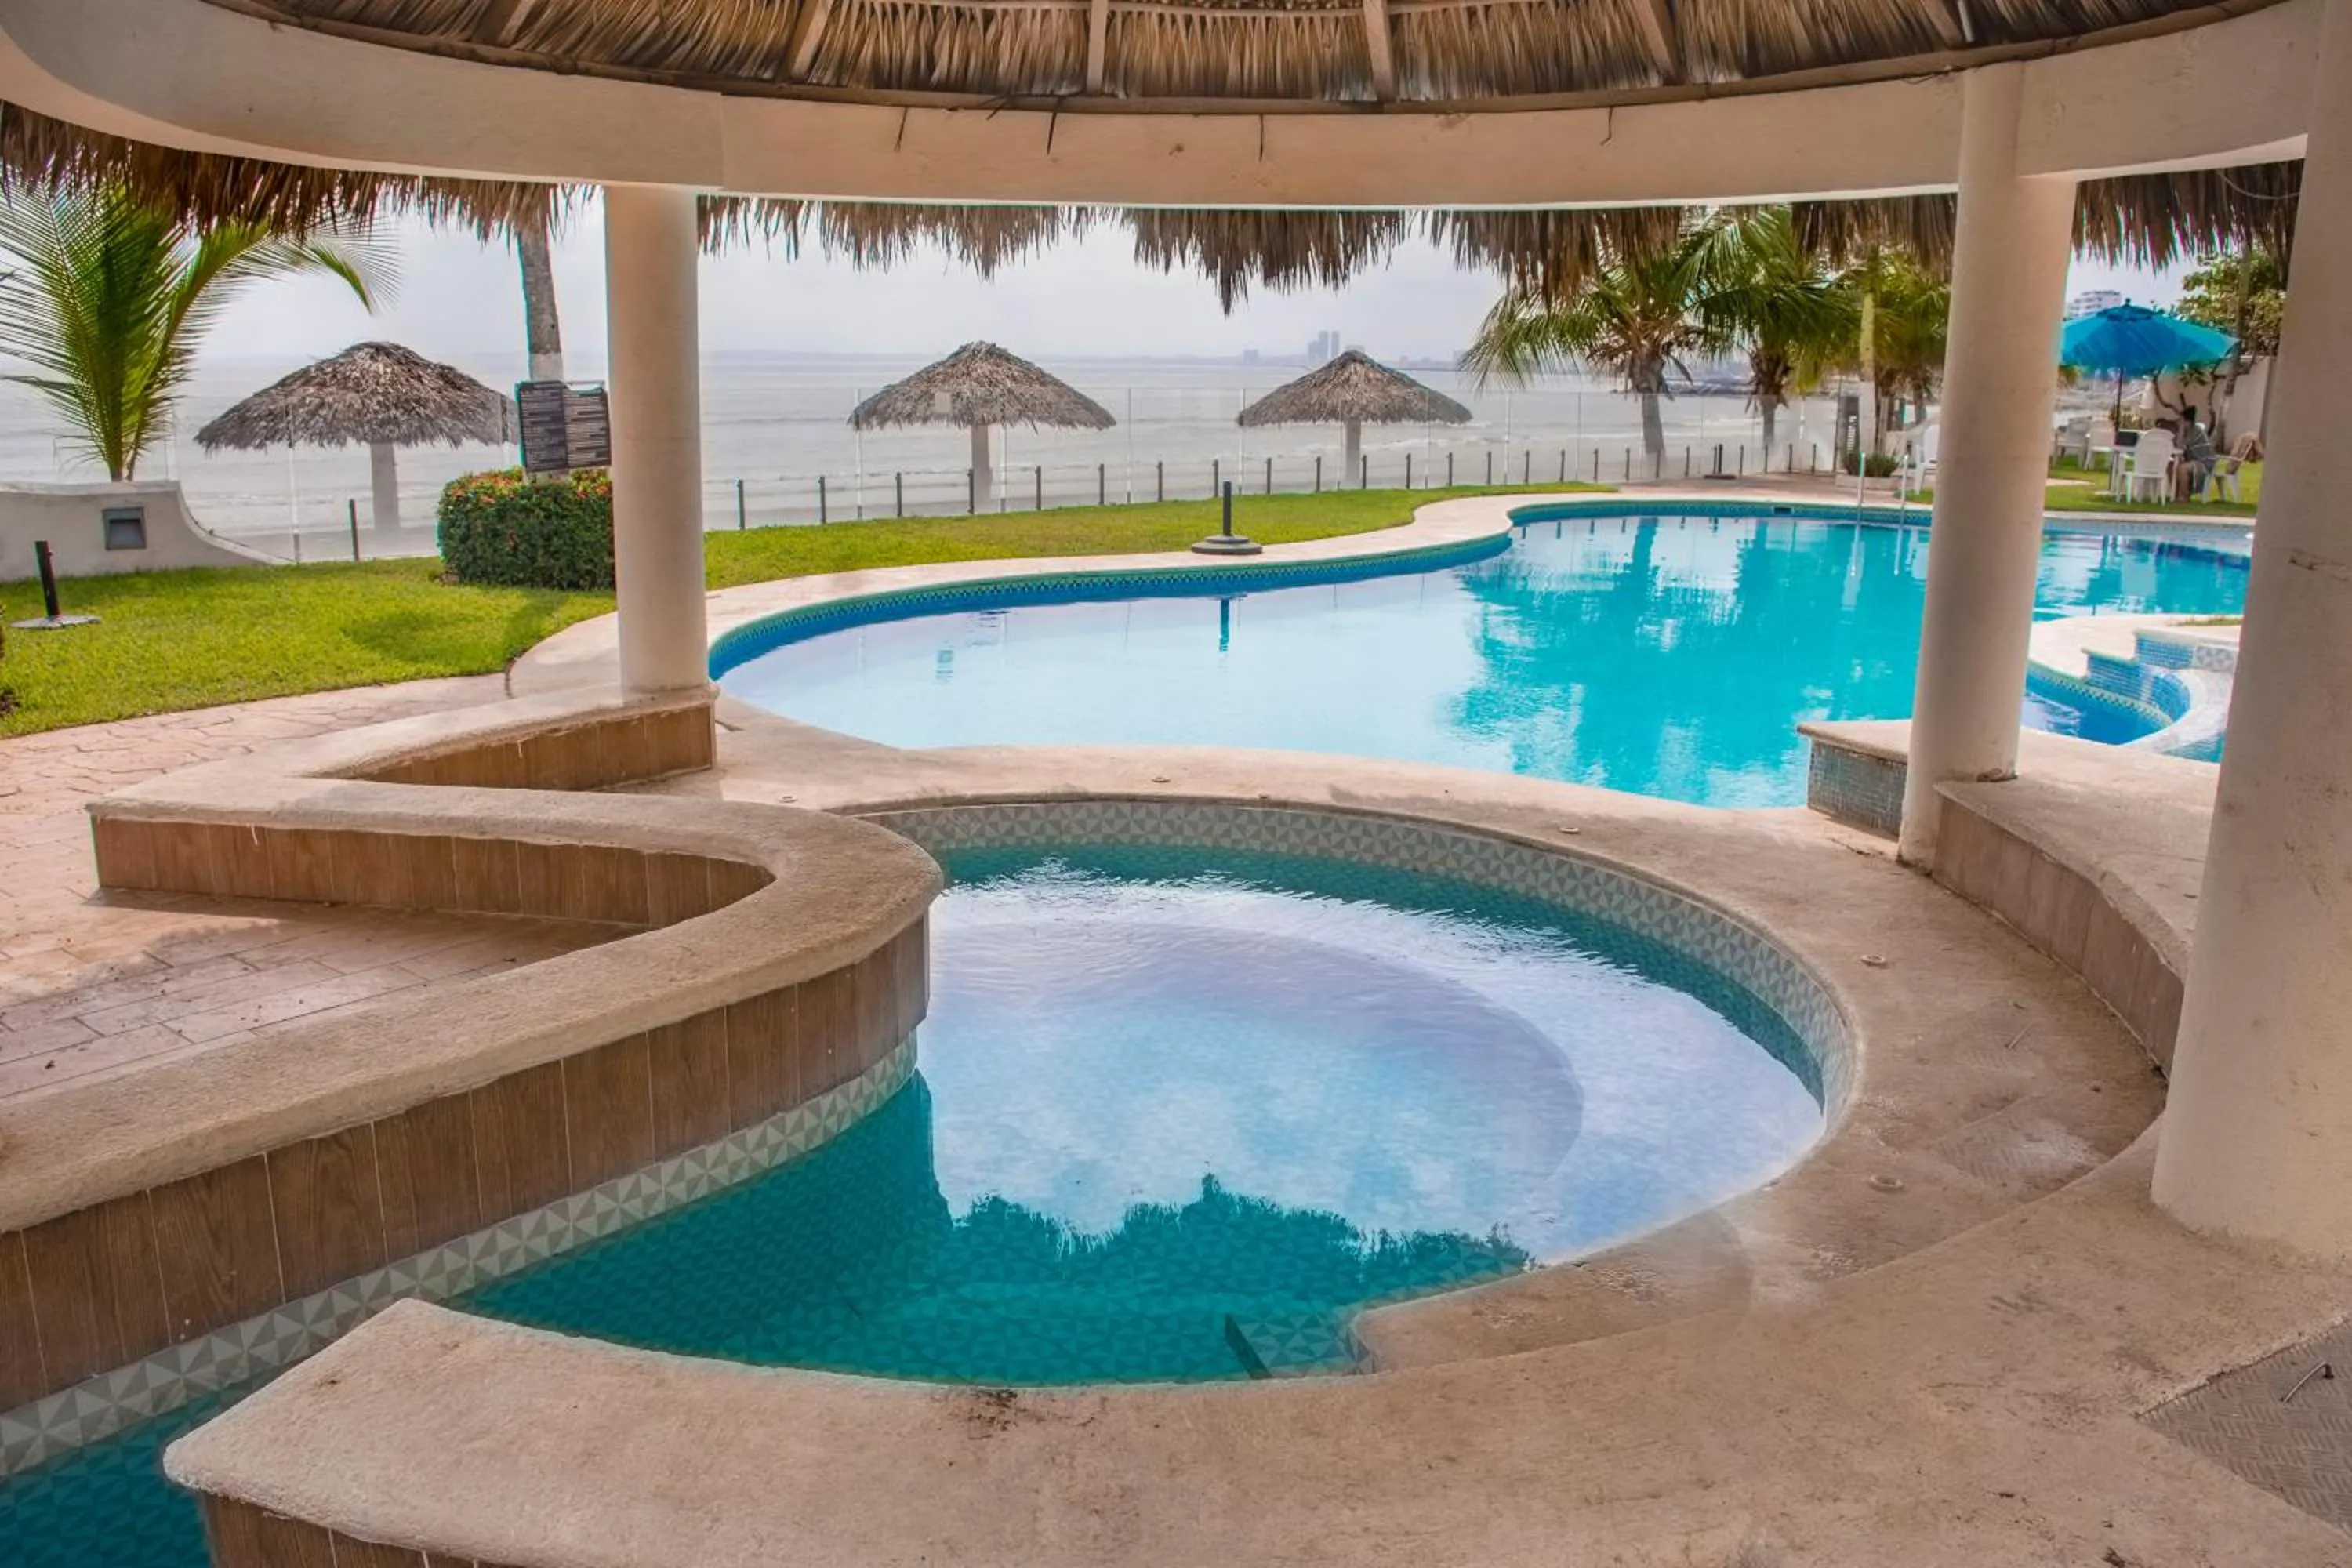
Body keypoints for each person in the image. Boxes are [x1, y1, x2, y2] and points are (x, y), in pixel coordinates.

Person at [2180, 405, 2219, 497]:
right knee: (2171, 466)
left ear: (2187, 421)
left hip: (2205, 462)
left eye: (2181, 420)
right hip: (2197, 459)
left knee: (2182, 469)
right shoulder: (2189, 430)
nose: (2179, 422)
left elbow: (2183, 445)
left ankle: (2184, 496)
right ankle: (2176, 494)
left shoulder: (2195, 431)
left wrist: (2181, 431)